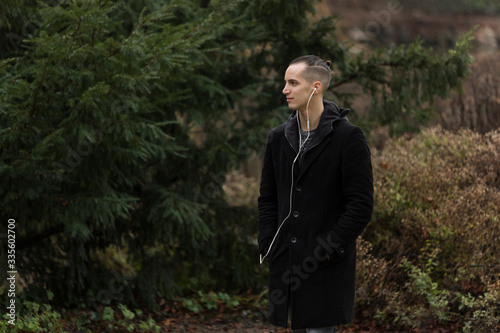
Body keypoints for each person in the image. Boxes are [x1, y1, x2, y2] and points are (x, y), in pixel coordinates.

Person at [257, 55, 374, 332]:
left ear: (316, 87)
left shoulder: (348, 138)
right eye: (285, 82)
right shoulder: (278, 138)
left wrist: (328, 249)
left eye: (292, 83)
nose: (285, 89)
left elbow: (360, 204)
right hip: (287, 262)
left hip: (325, 266)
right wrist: (268, 243)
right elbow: (268, 198)